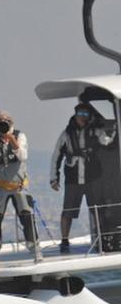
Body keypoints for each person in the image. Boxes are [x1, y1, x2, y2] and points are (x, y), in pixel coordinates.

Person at [0, 110, 37, 264]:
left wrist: (10, 138)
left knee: (26, 215)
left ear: (12, 122)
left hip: (18, 185)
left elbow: (22, 156)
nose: (2, 123)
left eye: (5, 121)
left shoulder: (19, 136)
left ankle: (34, 248)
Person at [50, 102, 99, 253]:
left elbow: (106, 141)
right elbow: (56, 156)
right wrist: (54, 177)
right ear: (76, 115)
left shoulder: (94, 131)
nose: (83, 117)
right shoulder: (66, 134)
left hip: (92, 179)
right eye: (80, 114)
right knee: (68, 211)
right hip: (73, 179)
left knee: (96, 209)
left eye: (86, 114)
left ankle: (101, 236)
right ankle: (65, 240)